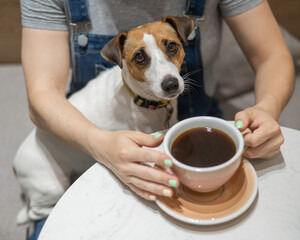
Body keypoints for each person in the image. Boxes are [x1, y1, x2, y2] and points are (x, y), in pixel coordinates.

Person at [17, 0, 294, 239]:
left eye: (171, 48)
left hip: (192, 119)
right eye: (141, 58)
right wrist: (99, 145)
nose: (167, 76)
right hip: (48, 165)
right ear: (122, 61)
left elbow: (273, 56)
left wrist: (267, 109)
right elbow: (40, 97)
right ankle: (38, 210)